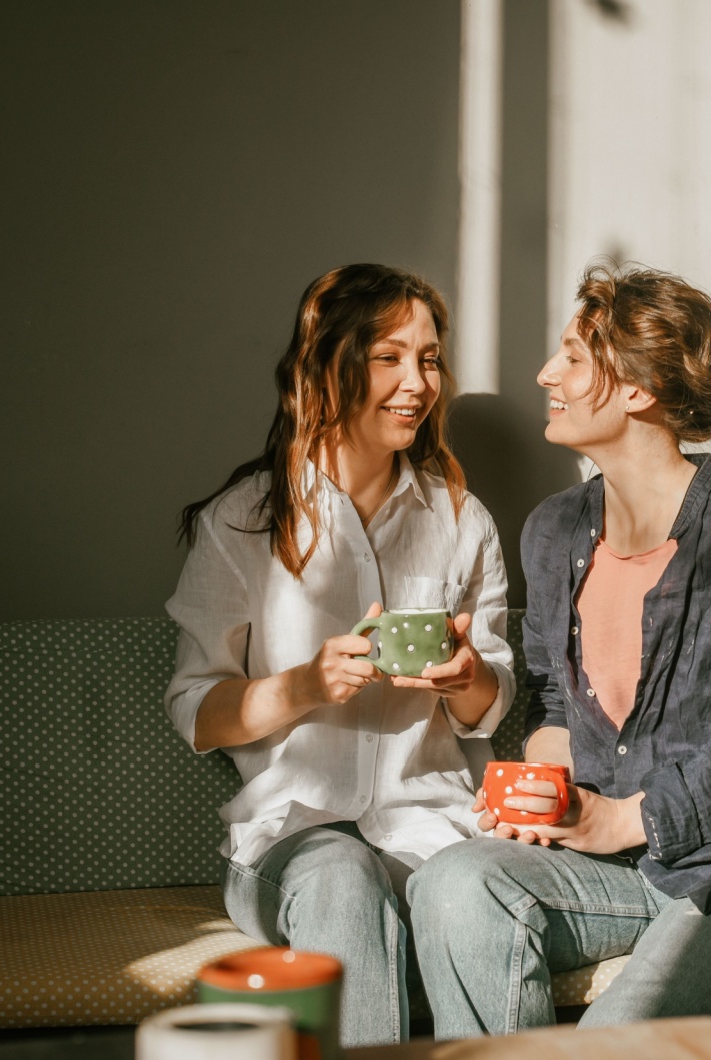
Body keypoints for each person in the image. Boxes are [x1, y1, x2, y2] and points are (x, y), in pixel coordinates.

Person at [408, 262, 711, 1035]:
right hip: (607, 869)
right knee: (452, 883)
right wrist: (539, 791)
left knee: (608, 1046)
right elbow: (551, 704)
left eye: (573, 357)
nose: (547, 374)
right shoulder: (553, 531)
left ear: (638, 388)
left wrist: (622, 821)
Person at [164, 264, 514, 1046]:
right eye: (390, 357)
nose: (418, 383)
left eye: (429, 359)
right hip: (292, 837)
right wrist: (303, 685)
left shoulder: (461, 519)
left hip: (430, 829)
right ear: (328, 364)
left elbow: (490, 701)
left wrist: (467, 678)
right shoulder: (243, 524)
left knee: (474, 891)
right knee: (341, 878)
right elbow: (197, 708)